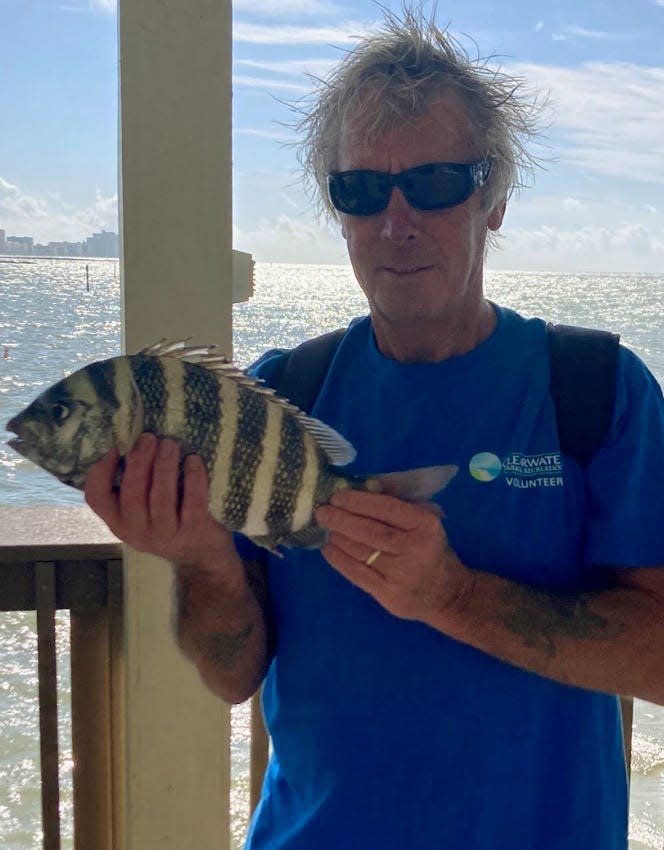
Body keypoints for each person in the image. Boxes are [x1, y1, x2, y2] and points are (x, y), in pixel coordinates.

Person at [85, 8, 664, 850]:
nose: (398, 222)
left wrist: (453, 597)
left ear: (493, 199)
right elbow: (229, 672)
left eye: (435, 183)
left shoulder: (595, 388)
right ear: (339, 212)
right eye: (360, 191)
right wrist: (200, 557)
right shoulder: (282, 394)